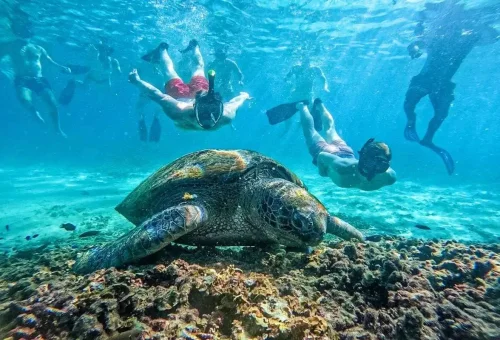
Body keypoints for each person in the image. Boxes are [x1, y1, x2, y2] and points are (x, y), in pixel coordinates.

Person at [403, 0, 499, 174]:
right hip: (429, 80)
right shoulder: (451, 38)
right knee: (414, 104)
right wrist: (414, 49)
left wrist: (482, 23)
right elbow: (417, 43)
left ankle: (427, 138)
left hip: (438, 83)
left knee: (439, 113)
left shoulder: (467, 39)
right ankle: (412, 123)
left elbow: (493, 35)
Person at [129, 40, 249, 131]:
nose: (210, 117)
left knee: (172, 70)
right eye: (207, 112)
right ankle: (168, 49)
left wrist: (138, 82)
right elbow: (236, 101)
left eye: (214, 111)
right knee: (172, 70)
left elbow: (158, 95)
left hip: (188, 93)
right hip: (184, 95)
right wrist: (137, 82)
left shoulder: (178, 113)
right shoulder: (179, 111)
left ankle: (171, 49)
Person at [299, 99, 396, 191]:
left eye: (381, 164)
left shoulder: (390, 177)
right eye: (371, 162)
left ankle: (319, 104)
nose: (373, 169)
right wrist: (322, 172)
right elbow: (322, 155)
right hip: (329, 151)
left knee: (330, 130)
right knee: (310, 132)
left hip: (347, 153)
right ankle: (302, 105)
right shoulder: (342, 168)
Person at [6, 39, 71, 137]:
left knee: (52, 103)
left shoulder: (38, 48)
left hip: (38, 78)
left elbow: (50, 61)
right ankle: (34, 113)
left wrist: (62, 67)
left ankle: (57, 129)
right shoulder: (13, 47)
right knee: (24, 99)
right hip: (21, 78)